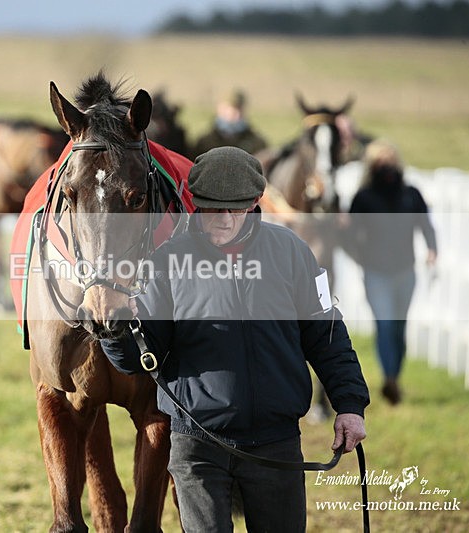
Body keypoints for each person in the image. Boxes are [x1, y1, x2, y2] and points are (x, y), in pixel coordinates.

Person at [100, 146, 370, 532]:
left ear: (255, 203)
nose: (224, 221)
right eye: (213, 209)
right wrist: (114, 329)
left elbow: (327, 336)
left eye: (236, 209)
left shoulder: (293, 252)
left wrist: (349, 404)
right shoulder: (164, 263)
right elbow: (142, 358)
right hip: (198, 446)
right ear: (196, 203)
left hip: (277, 443)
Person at [345, 139, 437, 405]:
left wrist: (432, 249)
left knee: (399, 328)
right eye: (380, 161)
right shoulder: (363, 198)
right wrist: (360, 257)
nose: (386, 166)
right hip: (376, 273)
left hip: (406, 272)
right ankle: (390, 380)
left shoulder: (411, 194)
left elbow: (426, 224)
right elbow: (350, 233)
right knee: (384, 325)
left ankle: (395, 374)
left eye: (390, 160)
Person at [192, 89, 269, 158]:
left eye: (239, 109)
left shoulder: (257, 143)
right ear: (219, 108)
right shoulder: (204, 142)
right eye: (229, 110)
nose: (236, 115)